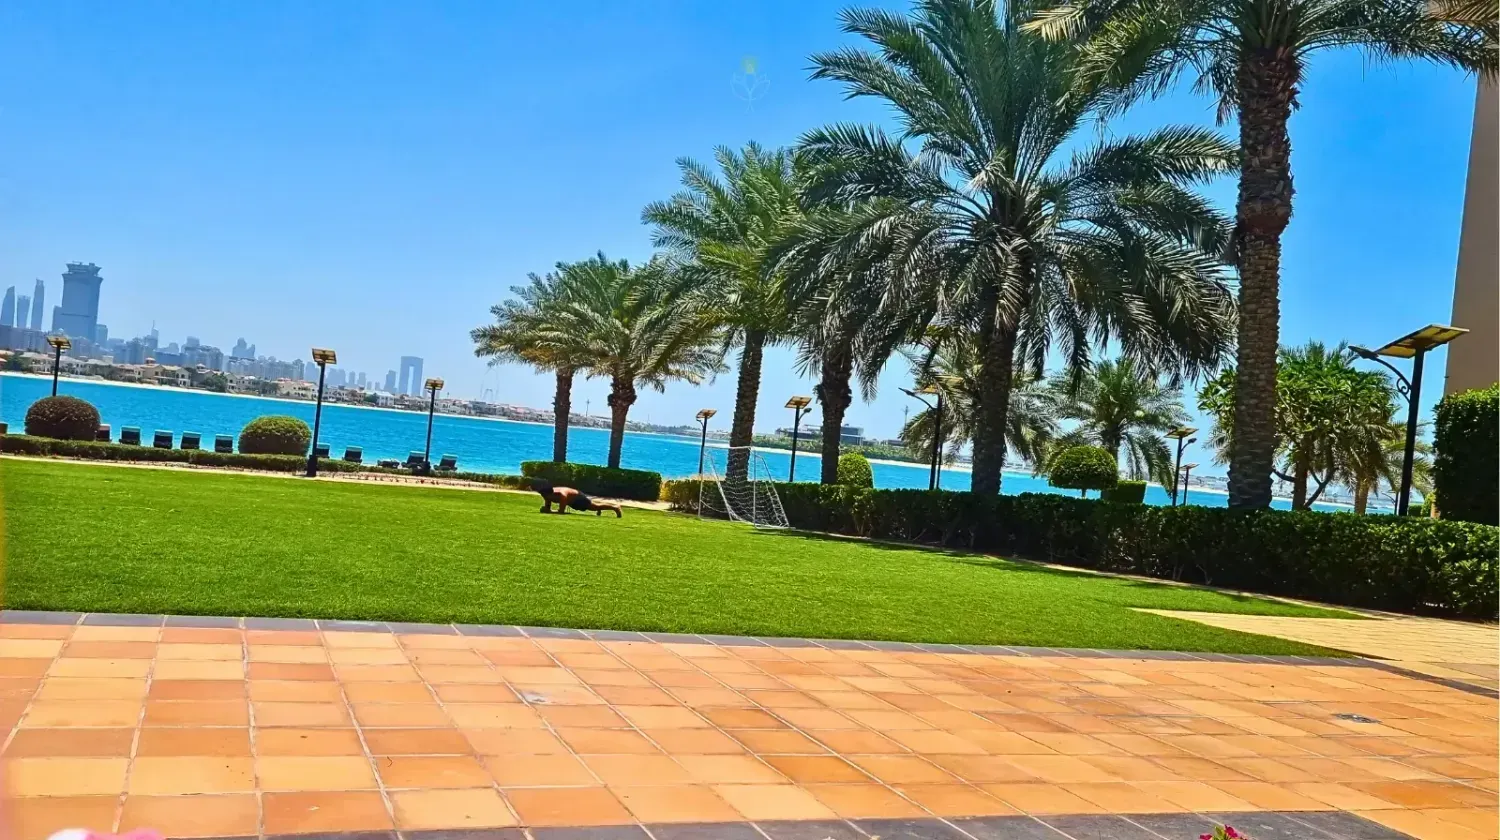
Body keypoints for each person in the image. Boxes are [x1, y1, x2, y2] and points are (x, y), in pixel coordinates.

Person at [530, 479, 623, 518]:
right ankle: (600, 507)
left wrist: (549, 512)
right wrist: (546, 509)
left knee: (594, 507)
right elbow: (548, 504)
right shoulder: (546, 493)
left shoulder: (562, 495)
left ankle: (616, 507)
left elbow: (561, 512)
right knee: (594, 505)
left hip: (577, 498)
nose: (545, 497)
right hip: (572, 499)